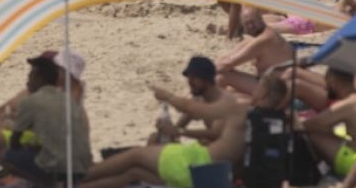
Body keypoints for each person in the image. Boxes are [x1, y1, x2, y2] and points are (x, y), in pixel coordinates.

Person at [81, 73, 288, 188]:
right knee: (133, 173)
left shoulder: (241, 112)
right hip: (214, 178)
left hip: (195, 166)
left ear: (262, 92)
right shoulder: (277, 125)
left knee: (134, 155)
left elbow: (194, 108)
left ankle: (77, 178)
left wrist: (167, 96)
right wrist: (181, 132)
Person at [0, 51, 91, 188]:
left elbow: (27, 137)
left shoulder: (63, 99)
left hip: (53, 162)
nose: (28, 79)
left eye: (32, 75)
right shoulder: (58, 95)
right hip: (50, 154)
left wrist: (10, 127)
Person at [214, 7, 293, 100]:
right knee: (230, 89)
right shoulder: (260, 36)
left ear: (260, 19)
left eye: (253, 22)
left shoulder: (265, 39)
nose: (251, 26)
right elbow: (228, 58)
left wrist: (205, 71)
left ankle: (213, 106)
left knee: (223, 77)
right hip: (271, 85)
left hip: (278, 91)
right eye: (247, 24)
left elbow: (228, 63)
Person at [150, 57, 227, 145]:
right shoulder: (200, 99)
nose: (190, 82)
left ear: (206, 79)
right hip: (208, 146)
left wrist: (179, 131)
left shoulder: (222, 102)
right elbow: (184, 117)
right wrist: (168, 129)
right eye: (189, 78)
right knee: (154, 138)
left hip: (222, 149)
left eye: (194, 78)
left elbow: (216, 135)